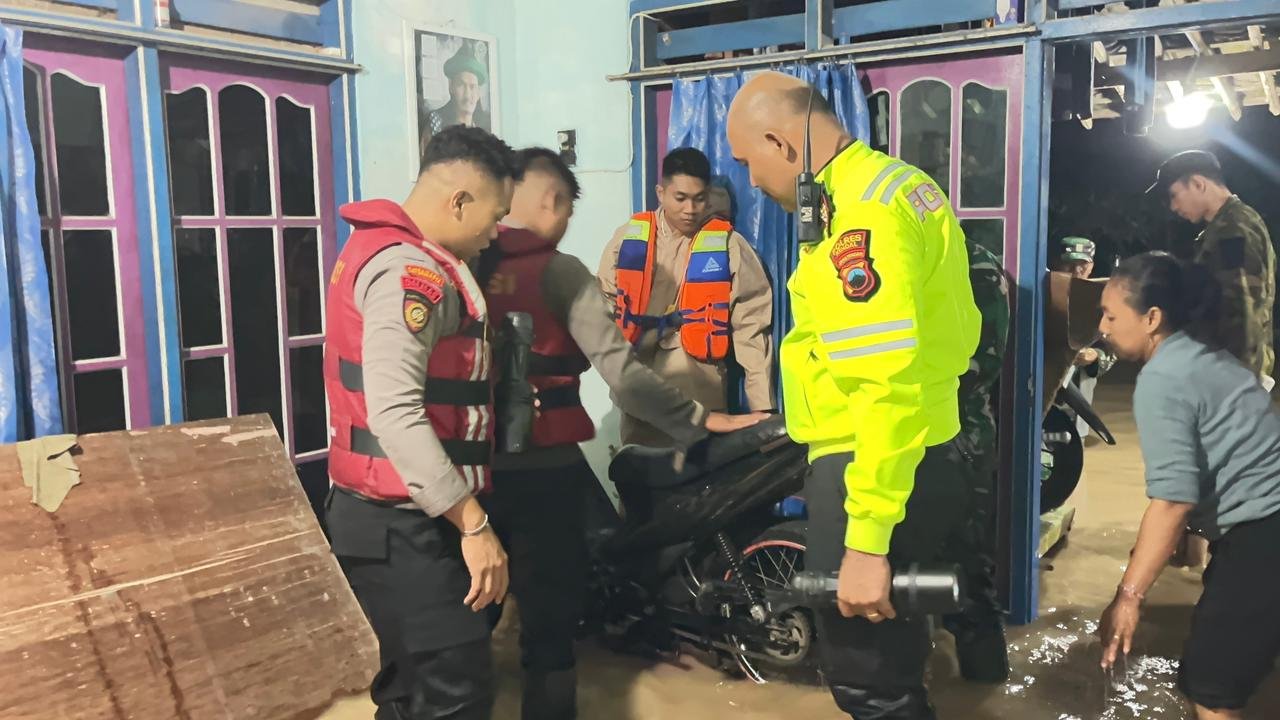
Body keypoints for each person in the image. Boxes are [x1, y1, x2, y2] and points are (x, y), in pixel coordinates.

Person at [727, 71, 998, 719]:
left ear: (780, 143)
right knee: (904, 651)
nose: (751, 181)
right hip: (929, 444)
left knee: (869, 681)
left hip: (869, 462)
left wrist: (867, 541)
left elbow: (884, 384)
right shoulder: (901, 185)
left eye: (748, 160)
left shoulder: (860, 217)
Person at [476, 147, 766, 720]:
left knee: (470, 613)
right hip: (547, 467)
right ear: (552, 201)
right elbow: (625, 376)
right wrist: (704, 419)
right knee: (551, 622)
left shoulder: (458, 264)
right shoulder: (565, 270)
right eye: (567, 209)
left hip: (469, 472)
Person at [323, 126, 516, 720]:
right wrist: (474, 525)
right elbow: (395, 411)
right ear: (459, 200)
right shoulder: (411, 273)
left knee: (411, 694)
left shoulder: (383, 252)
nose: (496, 233)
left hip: (393, 521)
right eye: (495, 215)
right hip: (405, 528)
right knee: (455, 699)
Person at [1097, 251, 1280, 720]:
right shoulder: (1205, 355)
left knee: (1210, 684)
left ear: (1152, 318)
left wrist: (1128, 597)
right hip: (1258, 525)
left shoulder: (1162, 379)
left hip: (1264, 532)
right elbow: (1223, 454)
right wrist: (1195, 536)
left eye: (1111, 316)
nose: (1102, 327)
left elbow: (1172, 500)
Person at [598, 147, 775, 447]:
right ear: (661, 193)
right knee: (639, 474)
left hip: (702, 400)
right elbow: (603, 310)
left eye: (699, 198)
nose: (690, 209)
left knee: (704, 477)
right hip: (640, 402)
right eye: (680, 198)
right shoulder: (626, 239)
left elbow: (752, 328)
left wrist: (763, 408)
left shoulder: (729, 246)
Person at [1146, 149, 1275, 380]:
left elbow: (1241, 312)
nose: (1173, 206)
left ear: (1198, 184)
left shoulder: (1233, 230)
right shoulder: (1225, 226)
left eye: (1174, 195)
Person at [1053, 236, 1116, 439]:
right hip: (1043, 383)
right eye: (1069, 264)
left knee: (1071, 445)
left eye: (1082, 264)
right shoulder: (1044, 291)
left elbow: (1111, 347)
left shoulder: (1101, 298)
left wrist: (1095, 356)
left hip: (1077, 389)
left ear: (1091, 266)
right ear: (1057, 262)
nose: (1076, 270)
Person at [419, 45, 493, 159]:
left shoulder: (484, 130)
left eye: (472, 87)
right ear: (451, 86)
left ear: (478, 93)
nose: (467, 95)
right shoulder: (435, 123)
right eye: (461, 85)